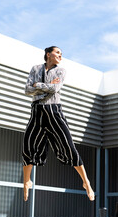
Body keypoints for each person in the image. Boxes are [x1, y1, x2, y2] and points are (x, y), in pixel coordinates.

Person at [22, 46, 95, 202]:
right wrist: (43, 88)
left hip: (54, 110)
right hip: (36, 111)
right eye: (57, 53)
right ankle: (27, 180)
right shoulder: (35, 68)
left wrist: (38, 85)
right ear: (48, 54)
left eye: (61, 54)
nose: (60, 56)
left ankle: (85, 181)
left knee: (68, 145)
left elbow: (55, 88)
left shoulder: (61, 71)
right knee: (28, 144)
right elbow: (27, 90)